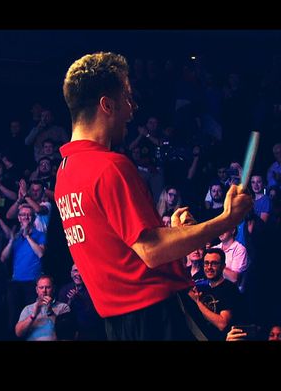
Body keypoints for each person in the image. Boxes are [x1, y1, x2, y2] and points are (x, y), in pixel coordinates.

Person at [56, 52, 252, 340]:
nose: (133, 109)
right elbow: (151, 251)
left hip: (120, 325)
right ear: (106, 105)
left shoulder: (65, 173)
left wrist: (171, 232)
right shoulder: (109, 166)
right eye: (127, 98)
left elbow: (126, 251)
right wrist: (227, 219)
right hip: (156, 316)